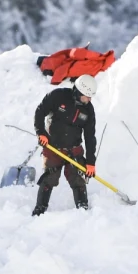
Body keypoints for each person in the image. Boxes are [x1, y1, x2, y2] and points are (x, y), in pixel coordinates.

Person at [32, 74, 98, 216]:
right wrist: (41, 132)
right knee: (50, 178)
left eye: (91, 97)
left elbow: (90, 137)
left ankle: (83, 210)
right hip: (53, 147)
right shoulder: (58, 96)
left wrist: (91, 162)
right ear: (79, 91)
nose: (89, 100)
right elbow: (40, 112)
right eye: (87, 96)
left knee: (78, 180)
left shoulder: (88, 110)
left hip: (74, 149)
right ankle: (40, 209)